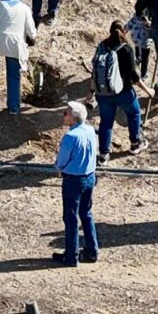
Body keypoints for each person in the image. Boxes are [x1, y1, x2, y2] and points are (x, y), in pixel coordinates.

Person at [53, 103, 100, 265]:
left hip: (73, 180)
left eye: (65, 113)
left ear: (73, 118)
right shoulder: (90, 130)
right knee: (86, 214)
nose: (63, 115)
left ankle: (71, 256)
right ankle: (91, 251)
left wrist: (59, 168)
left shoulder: (70, 137)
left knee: (71, 218)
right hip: (89, 177)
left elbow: (62, 159)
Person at [91, 21, 143, 158]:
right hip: (124, 92)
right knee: (134, 114)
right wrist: (148, 90)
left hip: (103, 93)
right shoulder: (126, 49)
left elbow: (94, 71)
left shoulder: (102, 46)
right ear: (123, 31)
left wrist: (91, 92)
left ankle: (103, 155)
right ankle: (135, 144)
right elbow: (133, 76)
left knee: (106, 122)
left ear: (110, 31)